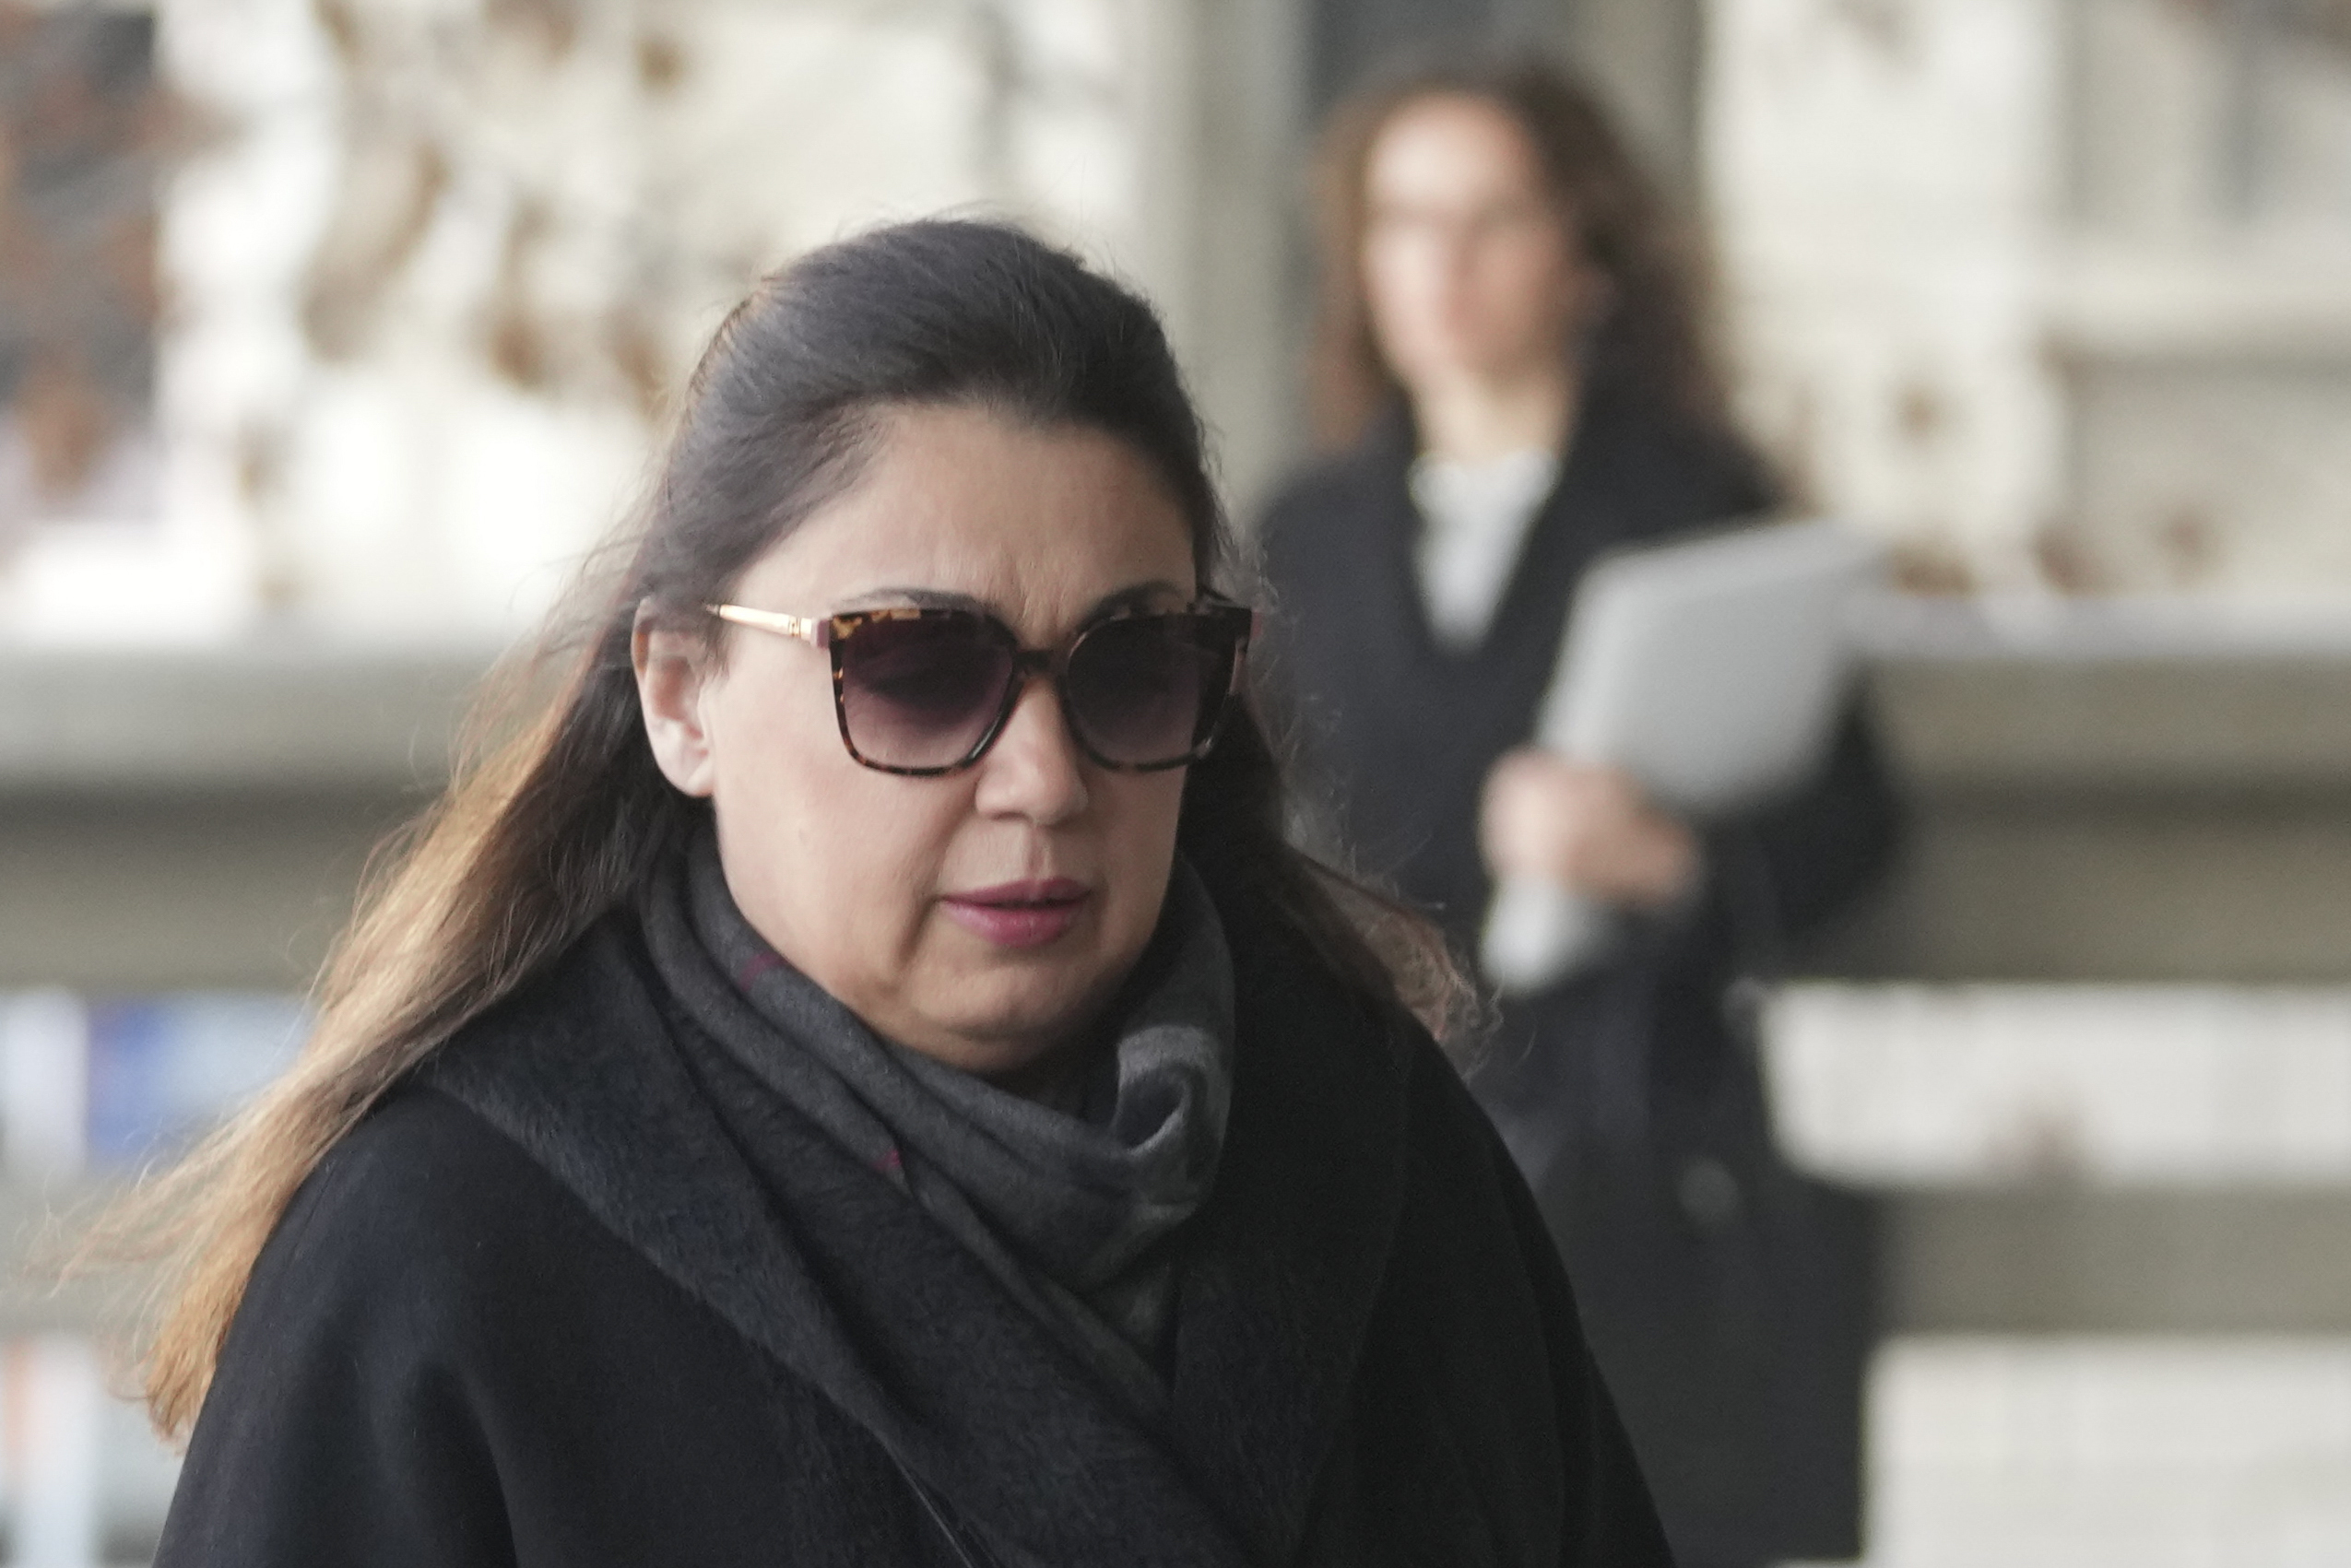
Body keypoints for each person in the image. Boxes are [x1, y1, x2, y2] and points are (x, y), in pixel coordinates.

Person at [122, 220, 1672, 1567]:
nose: (1044, 777)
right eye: (921, 670)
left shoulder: (1379, 1145)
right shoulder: (449, 1240)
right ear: (681, 693)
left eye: (1131, 668)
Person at [1256, 54, 1903, 1568]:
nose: (1444, 265)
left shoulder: (1693, 502)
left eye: (1492, 218)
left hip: (1630, 1174)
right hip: (1367, 1150)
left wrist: (1667, 863)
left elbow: (1857, 825)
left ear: (1585, 256)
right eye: (1404, 221)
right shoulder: (1306, 532)